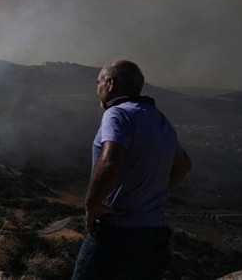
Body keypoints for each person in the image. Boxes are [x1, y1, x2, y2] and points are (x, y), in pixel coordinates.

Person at [72, 60, 192, 279]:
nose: (97, 89)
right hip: (154, 234)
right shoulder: (158, 118)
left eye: (98, 82)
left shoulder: (117, 113)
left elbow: (110, 161)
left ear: (110, 83)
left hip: (117, 232)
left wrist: (92, 206)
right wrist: (150, 194)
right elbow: (184, 165)